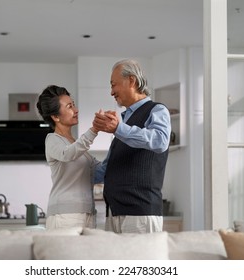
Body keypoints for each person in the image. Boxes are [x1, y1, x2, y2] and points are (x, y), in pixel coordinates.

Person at [93, 59, 171, 234]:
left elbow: (160, 140)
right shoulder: (125, 121)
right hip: (114, 212)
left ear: (131, 80)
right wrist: (72, 167)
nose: (111, 91)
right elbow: (107, 168)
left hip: (140, 213)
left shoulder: (156, 110)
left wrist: (118, 128)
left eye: (114, 85)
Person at [36, 85, 101, 230]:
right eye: (69, 106)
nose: (76, 110)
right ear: (55, 117)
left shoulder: (76, 145)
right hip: (65, 215)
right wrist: (94, 130)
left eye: (74, 105)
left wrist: (121, 141)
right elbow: (68, 154)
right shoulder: (53, 140)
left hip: (87, 213)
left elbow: (99, 171)